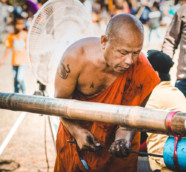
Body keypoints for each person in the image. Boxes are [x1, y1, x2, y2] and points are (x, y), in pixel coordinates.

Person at [54, 14, 160, 172]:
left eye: (135, 53)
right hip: (77, 140)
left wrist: (124, 138)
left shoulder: (143, 69)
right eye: (123, 53)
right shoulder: (76, 57)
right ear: (104, 42)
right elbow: (58, 103)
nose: (130, 61)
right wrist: (77, 132)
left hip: (116, 156)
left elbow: (135, 114)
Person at [144, 50, 186, 172]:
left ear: (154, 74)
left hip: (165, 164)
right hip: (182, 157)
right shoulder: (171, 91)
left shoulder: (155, 95)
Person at [0, 16, 27, 94]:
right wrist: (2, 60)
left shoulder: (25, 35)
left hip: (23, 62)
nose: (19, 26)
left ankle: (24, 92)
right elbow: (7, 48)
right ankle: (16, 94)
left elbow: (28, 49)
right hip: (14, 62)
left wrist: (31, 61)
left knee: (20, 78)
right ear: (14, 25)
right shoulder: (12, 36)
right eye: (17, 24)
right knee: (15, 79)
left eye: (21, 24)